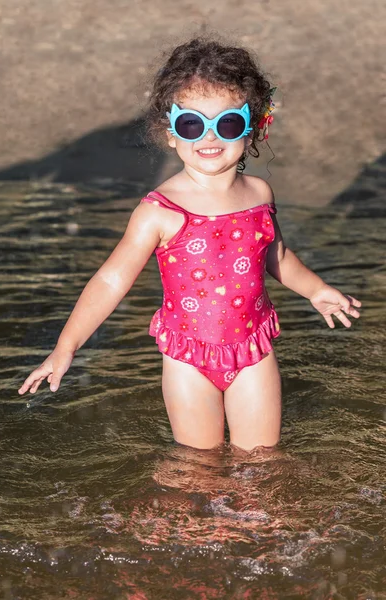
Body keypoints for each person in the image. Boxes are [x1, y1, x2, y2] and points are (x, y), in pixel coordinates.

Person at [18, 37, 361, 452]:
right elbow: (111, 281)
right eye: (192, 124)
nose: (209, 137)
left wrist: (317, 290)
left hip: (254, 349)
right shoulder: (160, 211)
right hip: (187, 360)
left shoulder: (259, 194)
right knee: (198, 467)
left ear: (253, 125)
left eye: (228, 123)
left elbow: (276, 255)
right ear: (171, 134)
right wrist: (65, 347)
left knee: (262, 462)